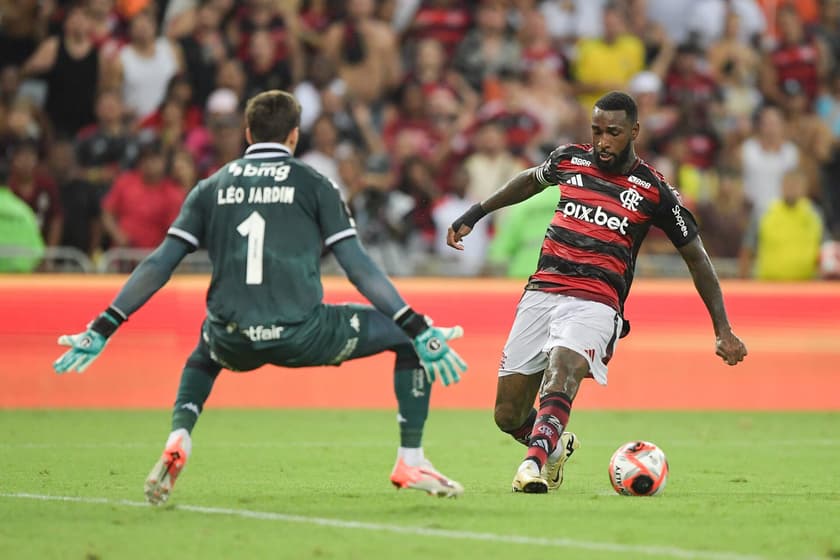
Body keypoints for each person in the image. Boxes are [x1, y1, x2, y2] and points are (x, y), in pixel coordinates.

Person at [53, 90, 468, 504]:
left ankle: (180, 435)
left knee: (206, 347)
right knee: (406, 337)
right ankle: (410, 460)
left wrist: (103, 327)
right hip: (304, 333)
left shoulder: (210, 187)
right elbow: (357, 267)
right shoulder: (316, 185)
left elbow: (159, 264)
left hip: (231, 338)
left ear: (248, 132)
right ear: (294, 136)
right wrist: (416, 325)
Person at [446, 91, 747, 493]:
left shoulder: (654, 190)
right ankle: (553, 447)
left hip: (596, 300)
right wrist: (476, 213)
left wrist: (722, 328)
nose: (603, 141)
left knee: (563, 369)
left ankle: (531, 467)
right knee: (507, 414)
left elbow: (697, 257)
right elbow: (529, 182)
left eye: (614, 133)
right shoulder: (570, 159)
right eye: (597, 131)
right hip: (541, 292)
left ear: (635, 132)